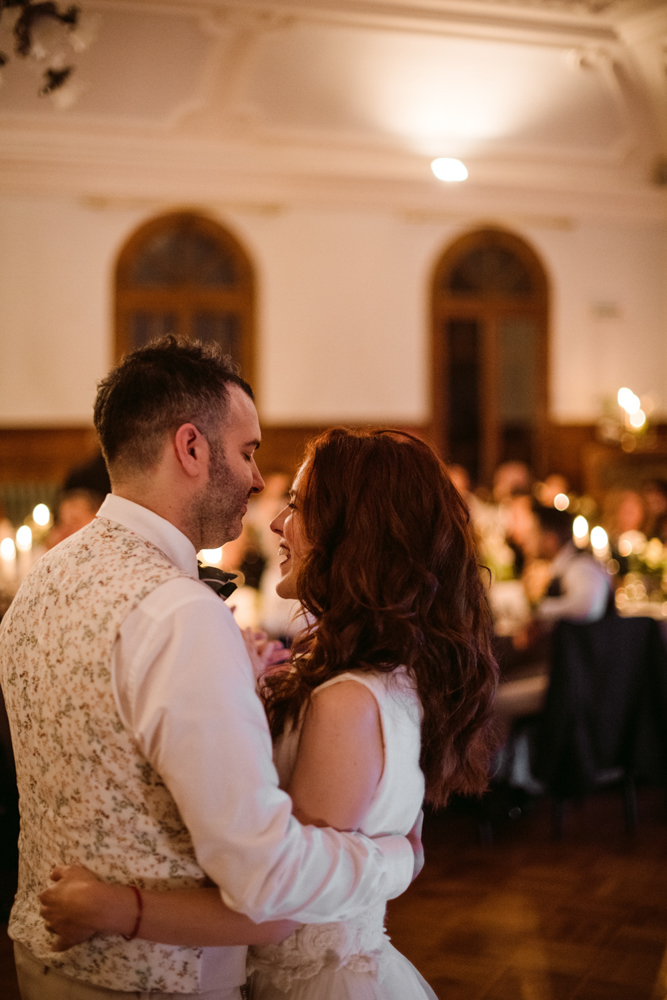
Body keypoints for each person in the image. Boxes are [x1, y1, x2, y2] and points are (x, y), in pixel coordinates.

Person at [0, 340, 419, 1000]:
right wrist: (393, 858)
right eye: (247, 451)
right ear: (191, 449)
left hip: (42, 962)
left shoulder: (43, 577)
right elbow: (263, 876)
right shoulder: (178, 614)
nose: (259, 481)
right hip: (163, 981)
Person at [38, 427, 500, 999]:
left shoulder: (346, 703)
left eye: (299, 507)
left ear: (353, 533)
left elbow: (276, 912)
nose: (278, 524)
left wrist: (110, 908)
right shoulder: (381, 674)